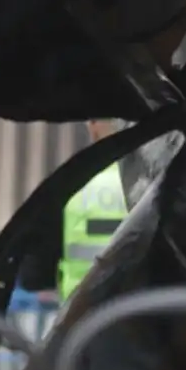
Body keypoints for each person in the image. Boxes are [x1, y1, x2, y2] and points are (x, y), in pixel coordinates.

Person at [58, 119, 130, 303]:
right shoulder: (152, 182)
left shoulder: (73, 184)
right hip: (135, 308)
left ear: (94, 127)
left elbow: (35, 270)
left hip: (79, 312)